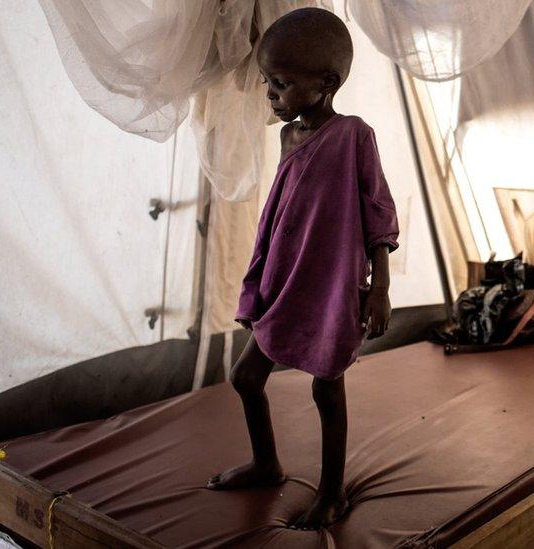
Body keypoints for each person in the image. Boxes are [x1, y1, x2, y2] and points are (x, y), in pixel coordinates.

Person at [205, 7, 399, 531]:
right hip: (287, 279)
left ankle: (332, 493)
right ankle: (267, 462)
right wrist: (263, 270)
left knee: (325, 387)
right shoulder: (288, 136)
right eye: (268, 82)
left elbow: (377, 211)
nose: (271, 94)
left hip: (331, 284)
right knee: (246, 377)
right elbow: (281, 209)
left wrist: (378, 290)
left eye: (282, 83)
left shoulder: (354, 134)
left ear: (326, 83)